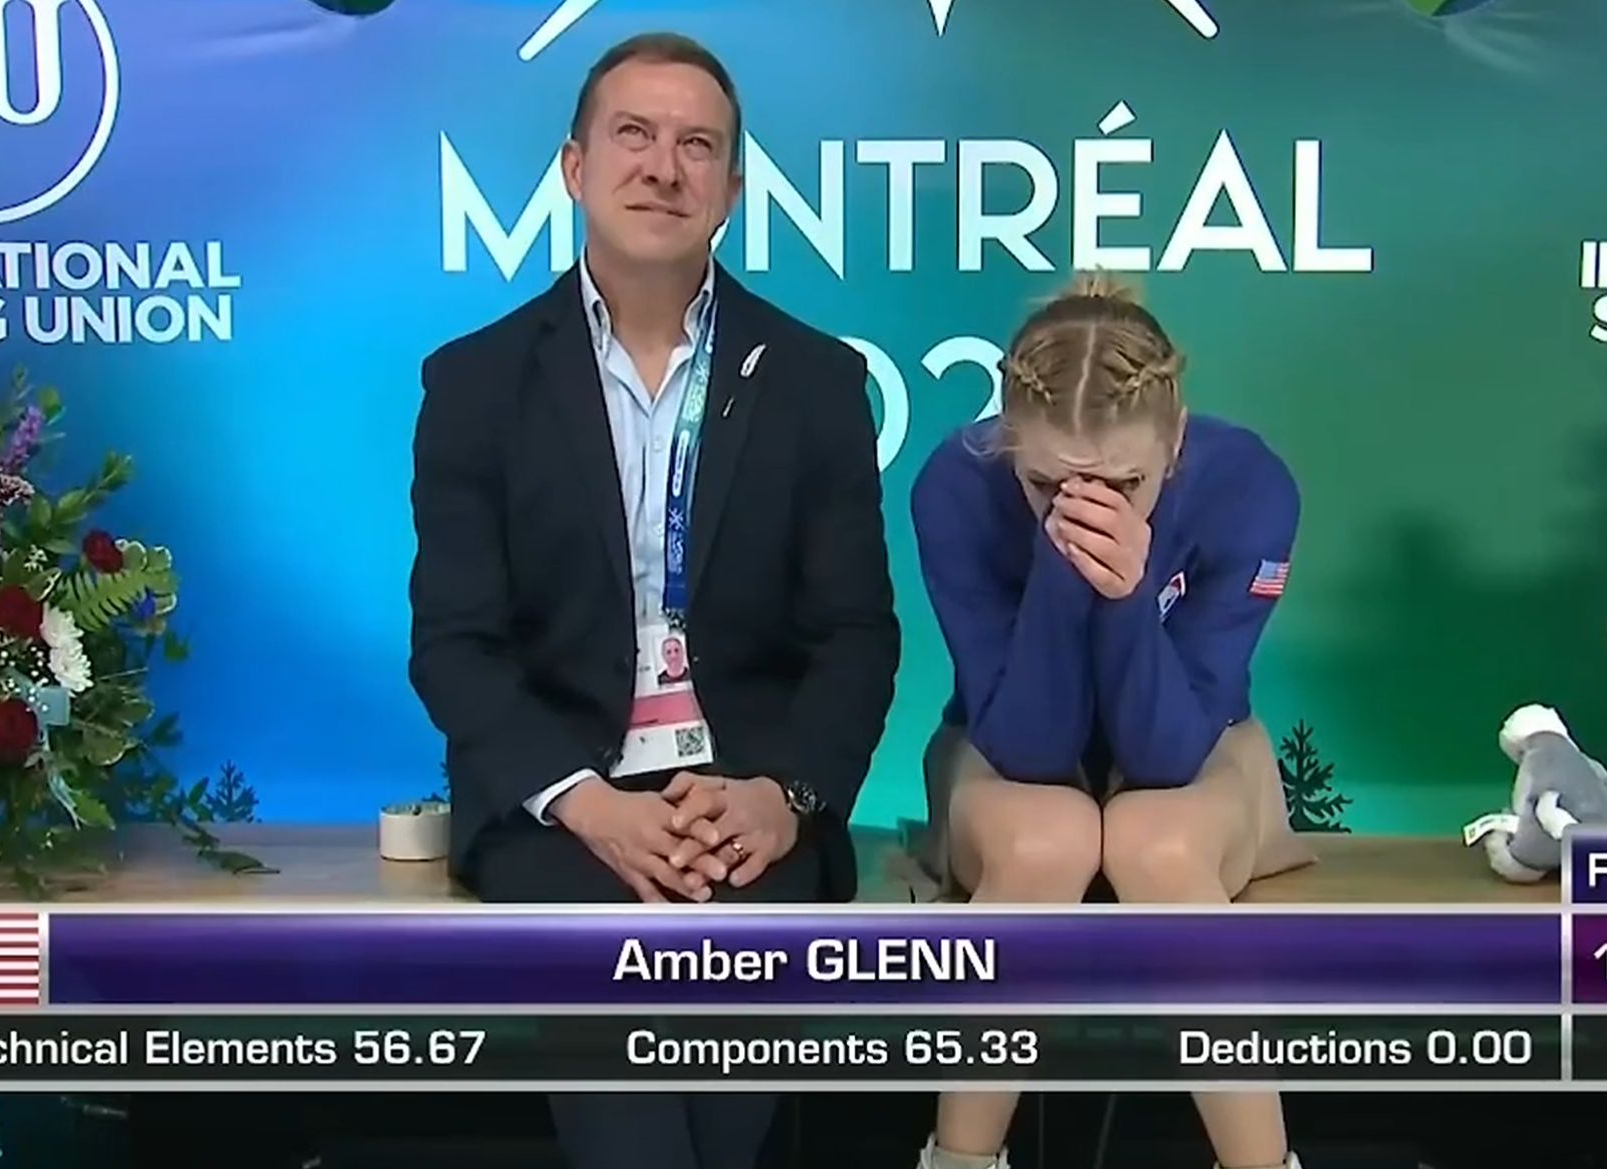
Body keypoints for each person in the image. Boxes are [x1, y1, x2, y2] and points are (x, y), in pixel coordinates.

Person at [407, 31, 898, 1169]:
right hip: (557, 806)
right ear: (575, 166)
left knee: (722, 1065)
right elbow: (455, 646)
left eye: (697, 146)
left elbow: (857, 636)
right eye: (633, 134)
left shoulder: (817, 381)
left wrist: (786, 793)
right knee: (622, 1043)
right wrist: (586, 802)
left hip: (747, 801)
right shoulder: (474, 383)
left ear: (731, 190)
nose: (663, 167)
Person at [908, 274, 1313, 1169]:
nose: (1086, 508)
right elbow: (1027, 746)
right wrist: (1066, 572)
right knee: (1044, 838)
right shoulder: (955, 482)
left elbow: (1169, 752)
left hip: (1200, 745)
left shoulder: (1247, 483)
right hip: (1000, 754)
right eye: (1046, 483)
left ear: (1175, 441)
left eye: (1125, 483)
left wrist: (1126, 594)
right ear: (1007, 444)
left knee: (1154, 841)